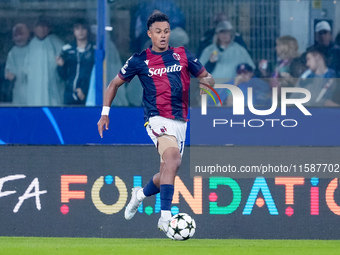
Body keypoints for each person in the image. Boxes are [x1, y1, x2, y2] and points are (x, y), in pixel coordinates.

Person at [97, 12, 214, 237]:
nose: (163, 36)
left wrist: (206, 86)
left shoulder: (182, 55)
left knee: (167, 171)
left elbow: (206, 76)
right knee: (173, 160)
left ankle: (139, 195)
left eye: (166, 31)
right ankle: (165, 218)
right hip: (156, 119)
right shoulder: (139, 60)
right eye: (158, 32)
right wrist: (105, 114)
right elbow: (113, 84)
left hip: (181, 120)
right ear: (150, 34)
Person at [26, 18, 64, 106]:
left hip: (53, 83)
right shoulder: (31, 45)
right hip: (35, 84)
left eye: (45, 26)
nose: (43, 29)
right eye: (40, 26)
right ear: (34, 28)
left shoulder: (56, 42)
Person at [56, 19, 95, 105]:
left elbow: (96, 73)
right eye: (77, 28)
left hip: (89, 93)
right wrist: (60, 66)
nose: (80, 31)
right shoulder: (67, 49)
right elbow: (63, 76)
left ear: (88, 31)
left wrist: (84, 89)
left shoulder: (94, 49)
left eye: (83, 28)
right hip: (70, 93)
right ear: (73, 31)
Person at [4, 23, 30, 105]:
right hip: (18, 89)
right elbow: (9, 71)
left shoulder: (33, 49)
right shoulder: (12, 52)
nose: (19, 37)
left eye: (21, 34)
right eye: (16, 35)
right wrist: (9, 75)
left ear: (27, 34)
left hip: (33, 87)